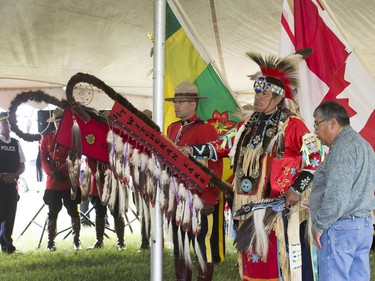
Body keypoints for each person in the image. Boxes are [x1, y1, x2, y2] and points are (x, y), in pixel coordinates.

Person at [180, 52, 322, 280]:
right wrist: (192, 150)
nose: (258, 97)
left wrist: (296, 189)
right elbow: (223, 145)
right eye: (257, 92)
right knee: (253, 265)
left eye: (264, 93)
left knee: (281, 265)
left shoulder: (293, 125)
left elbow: (315, 159)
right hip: (247, 208)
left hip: (279, 211)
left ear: (277, 97)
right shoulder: (248, 124)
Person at [166, 81, 225, 281]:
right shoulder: (172, 128)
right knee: (180, 245)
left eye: (180, 101)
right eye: (175, 101)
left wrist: (210, 197)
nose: (176, 105)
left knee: (203, 246)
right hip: (178, 198)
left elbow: (214, 165)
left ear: (193, 104)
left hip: (201, 199)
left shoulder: (206, 129)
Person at [310, 100, 375, 281]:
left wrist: (320, 225)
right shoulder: (364, 145)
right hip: (363, 225)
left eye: (317, 124)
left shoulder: (342, 147)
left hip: (341, 227)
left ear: (332, 123)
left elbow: (337, 194)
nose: (315, 130)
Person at [40, 107, 82, 251]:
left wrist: (62, 170)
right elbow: (43, 158)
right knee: (52, 211)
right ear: (54, 123)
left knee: (73, 210)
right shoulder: (46, 138)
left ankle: (77, 240)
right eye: (56, 121)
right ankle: (50, 242)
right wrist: (51, 173)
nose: (58, 124)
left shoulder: (72, 137)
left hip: (68, 178)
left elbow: (76, 156)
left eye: (61, 121)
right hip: (53, 180)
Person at [86, 157, 126, 251]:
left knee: (117, 212)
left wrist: (112, 171)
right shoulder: (94, 142)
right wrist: (96, 171)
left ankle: (121, 241)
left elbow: (121, 159)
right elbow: (90, 158)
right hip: (98, 183)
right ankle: (99, 240)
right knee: (99, 213)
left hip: (114, 182)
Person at [0, 112, 25, 254]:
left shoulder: (16, 143)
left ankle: (7, 245)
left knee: (10, 214)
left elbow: (22, 165)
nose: (7, 127)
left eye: (8, 124)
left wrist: (14, 175)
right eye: (4, 124)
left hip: (11, 184)